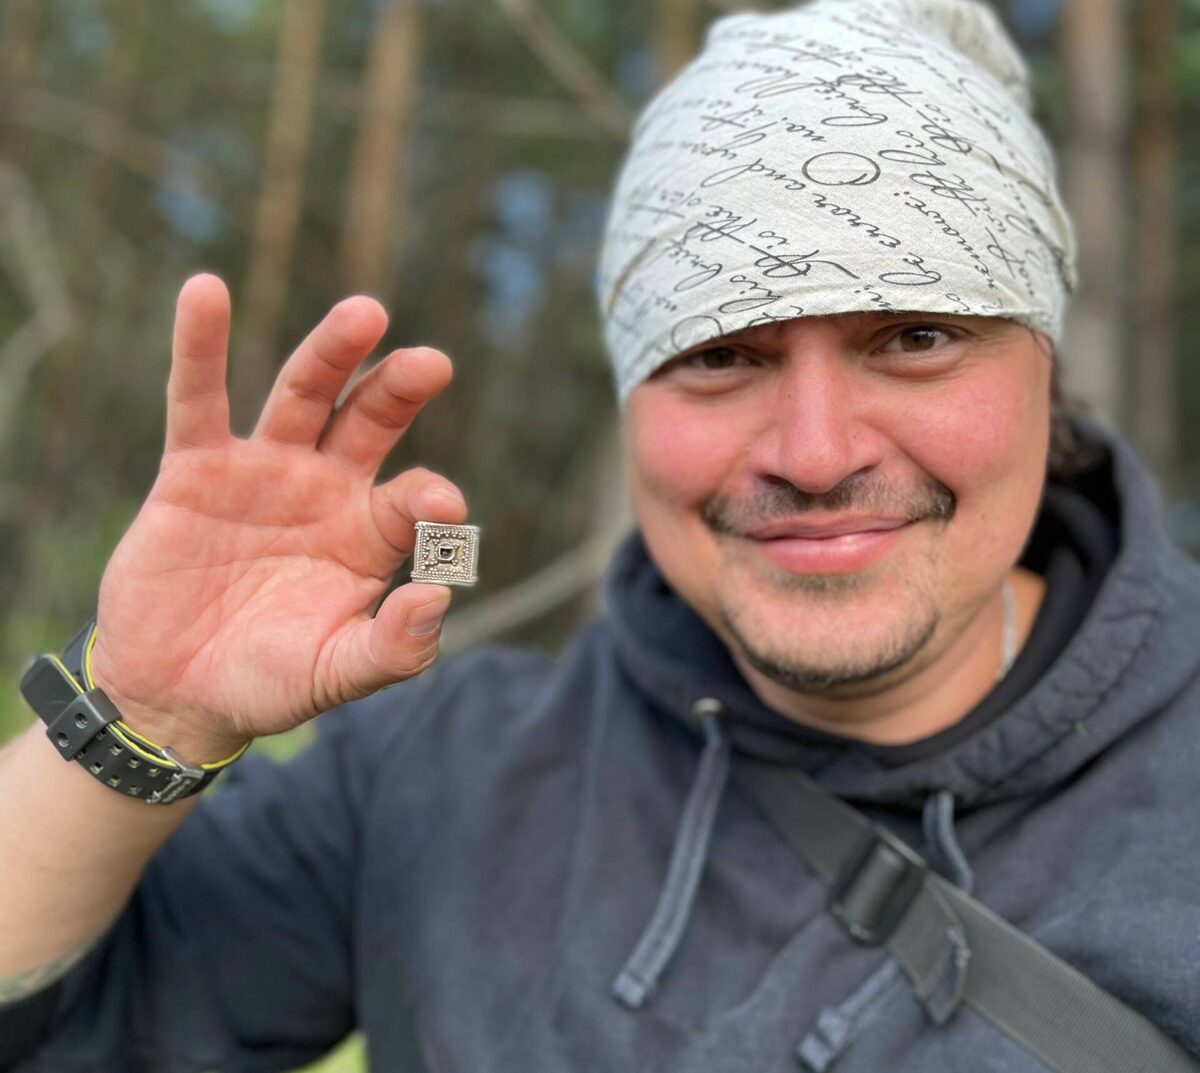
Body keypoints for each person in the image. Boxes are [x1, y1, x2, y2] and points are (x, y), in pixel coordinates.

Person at [2, 0, 1198, 1069]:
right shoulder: (441, 777)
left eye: (915, 338)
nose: (817, 451)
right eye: (722, 354)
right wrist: (142, 715)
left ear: (1045, 367)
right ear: (633, 403)